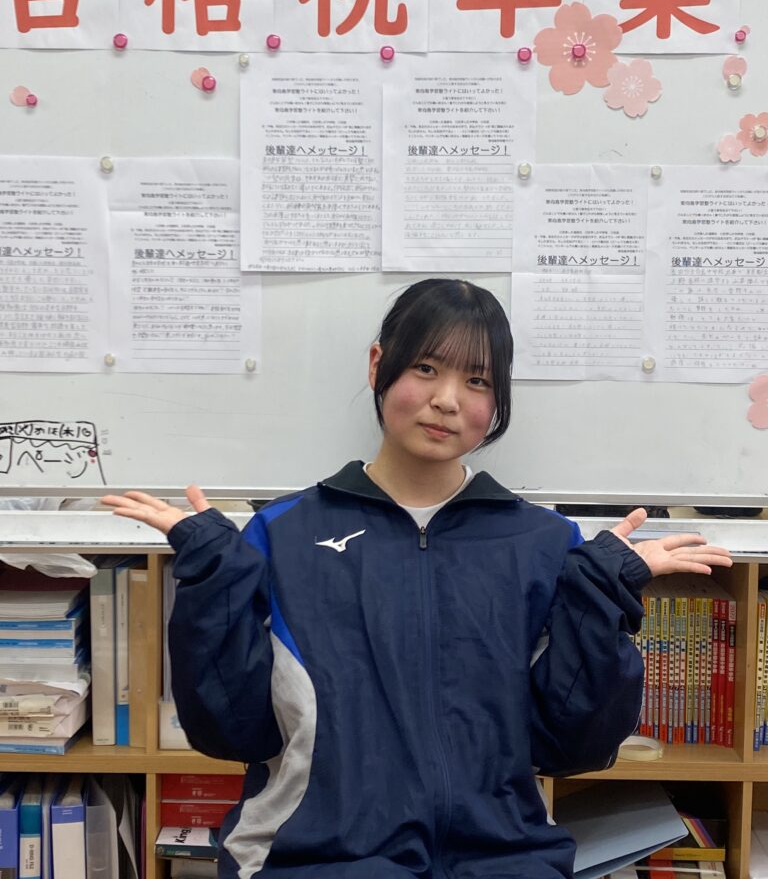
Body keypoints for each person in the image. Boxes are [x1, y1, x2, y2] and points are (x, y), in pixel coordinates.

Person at [103, 278, 732, 879]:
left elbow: (574, 747)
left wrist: (601, 593)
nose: (448, 400)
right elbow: (228, 730)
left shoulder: (545, 543)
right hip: (317, 859)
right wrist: (214, 573)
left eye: (477, 380)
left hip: (505, 859)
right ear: (379, 364)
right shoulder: (283, 534)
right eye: (427, 368)